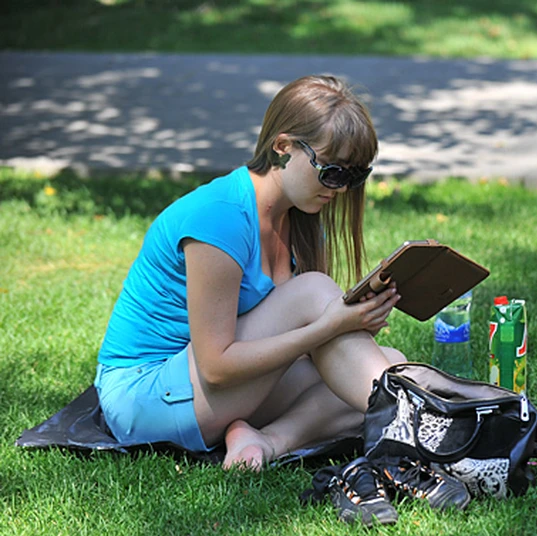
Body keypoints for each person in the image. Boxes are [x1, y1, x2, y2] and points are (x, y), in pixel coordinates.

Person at [95, 75, 404, 470]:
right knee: (319, 302)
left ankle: (265, 442)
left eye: (353, 176)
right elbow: (217, 367)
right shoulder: (220, 219)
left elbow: (309, 346)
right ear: (283, 147)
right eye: (332, 173)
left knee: (384, 365)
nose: (341, 189)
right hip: (146, 396)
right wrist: (329, 327)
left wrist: (352, 327)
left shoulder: (302, 218)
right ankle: (422, 425)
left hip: (201, 388)